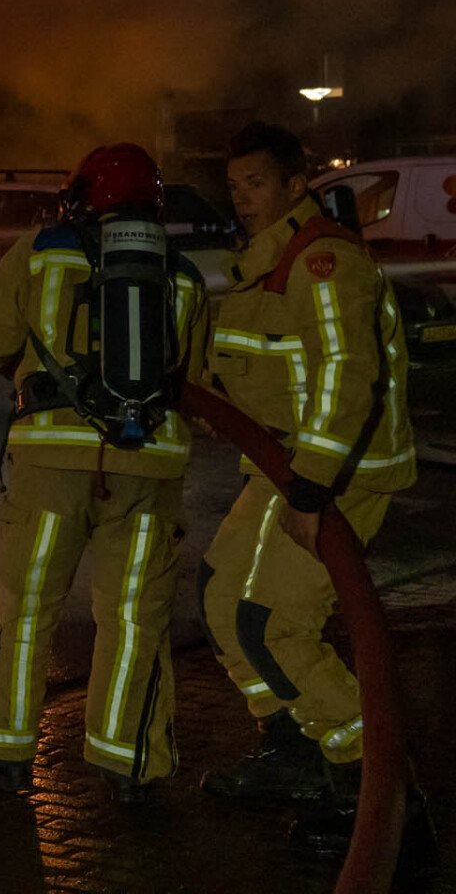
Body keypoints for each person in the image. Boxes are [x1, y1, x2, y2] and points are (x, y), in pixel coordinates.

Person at [0, 143, 210, 800]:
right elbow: (197, 378)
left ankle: (3, 751)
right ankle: (128, 764)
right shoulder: (182, 275)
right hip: (149, 470)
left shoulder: (41, 252)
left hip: (50, 469)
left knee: (26, 608)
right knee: (134, 620)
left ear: (82, 197)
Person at [197, 122, 417, 847]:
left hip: (333, 474)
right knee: (222, 600)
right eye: (234, 186)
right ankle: (292, 750)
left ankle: (375, 787)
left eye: (256, 183)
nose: (242, 198)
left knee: (273, 625)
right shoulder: (263, 263)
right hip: (283, 469)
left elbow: (346, 375)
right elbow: (254, 368)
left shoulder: (322, 261)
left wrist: (313, 488)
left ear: (296, 186)